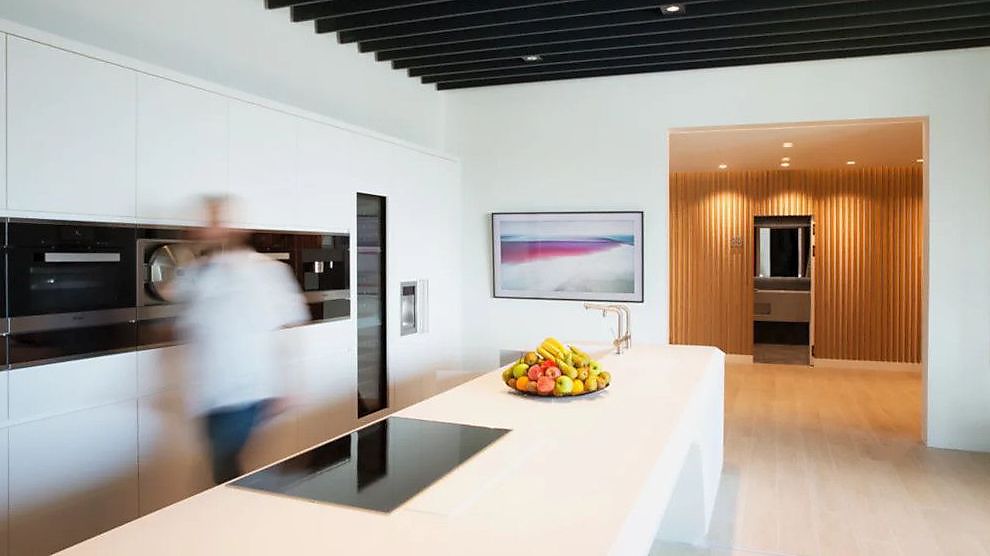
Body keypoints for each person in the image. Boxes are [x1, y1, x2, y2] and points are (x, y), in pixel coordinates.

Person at [176, 196, 309, 484]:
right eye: (208, 220)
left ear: (236, 227)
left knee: (228, 475)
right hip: (212, 396)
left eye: (217, 220)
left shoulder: (267, 271)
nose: (209, 227)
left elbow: (289, 329)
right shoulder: (198, 274)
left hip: (247, 393)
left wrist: (288, 385)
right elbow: (188, 325)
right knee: (228, 474)